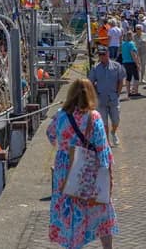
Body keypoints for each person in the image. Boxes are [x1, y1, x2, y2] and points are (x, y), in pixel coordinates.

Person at [47, 78, 117, 249]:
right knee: (102, 211)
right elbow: (102, 148)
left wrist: (66, 147)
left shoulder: (60, 115)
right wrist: (108, 174)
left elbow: (50, 135)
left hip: (66, 172)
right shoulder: (94, 117)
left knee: (70, 213)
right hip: (88, 171)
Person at [88, 45, 126, 146]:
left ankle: (113, 132)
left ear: (108, 54)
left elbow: (121, 81)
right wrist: (95, 94)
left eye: (103, 54)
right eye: (100, 55)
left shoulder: (117, 66)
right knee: (104, 123)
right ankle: (107, 142)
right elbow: (90, 82)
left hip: (113, 98)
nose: (101, 57)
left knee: (116, 120)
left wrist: (117, 93)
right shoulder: (95, 68)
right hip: (101, 99)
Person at [120, 31, 141, 97]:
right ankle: (135, 91)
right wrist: (137, 64)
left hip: (125, 62)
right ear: (131, 36)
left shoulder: (123, 44)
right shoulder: (131, 44)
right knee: (136, 77)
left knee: (128, 77)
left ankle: (129, 92)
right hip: (131, 62)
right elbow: (133, 54)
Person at [134, 25, 146, 90]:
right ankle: (137, 78)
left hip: (144, 51)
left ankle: (142, 78)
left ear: (141, 29)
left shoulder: (144, 35)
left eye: (139, 28)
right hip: (137, 52)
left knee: (143, 65)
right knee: (138, 65)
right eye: (137, 28)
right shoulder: (134, 36)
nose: (138, 30)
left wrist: (145, 42)